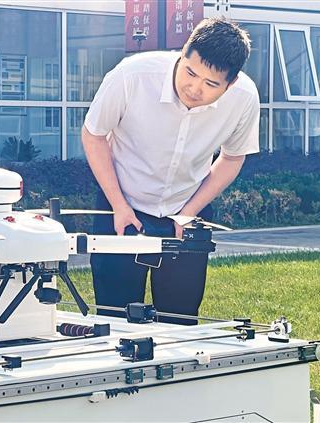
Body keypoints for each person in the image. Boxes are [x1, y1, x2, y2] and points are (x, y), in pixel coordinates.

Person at [82, 17, 259, 324]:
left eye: (211, 84)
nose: (195, 88)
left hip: (187, 208)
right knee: (115, 317)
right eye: (190, 72)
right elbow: (94, 135)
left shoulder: (244, 98)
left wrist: (189, 213)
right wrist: (119, 205)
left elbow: (232, 158)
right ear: (183, 52)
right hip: (120, 203)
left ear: (230, 84)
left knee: (180, 319)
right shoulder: (132, 75)